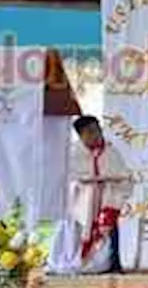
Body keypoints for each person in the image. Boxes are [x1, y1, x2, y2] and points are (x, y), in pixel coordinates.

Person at [46, 115, 134, 275]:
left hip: (106, 198)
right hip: (80, 202)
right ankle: (73, 261)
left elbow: (123, 175)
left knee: (108, 226)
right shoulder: (72, 152)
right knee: (74, 230)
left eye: (98, 130)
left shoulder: (110, 152)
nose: (96, 135)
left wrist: (111, 180)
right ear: (81, 135)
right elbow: (66, 178)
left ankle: (110, 264)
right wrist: (85, 183)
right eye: (90, 132)